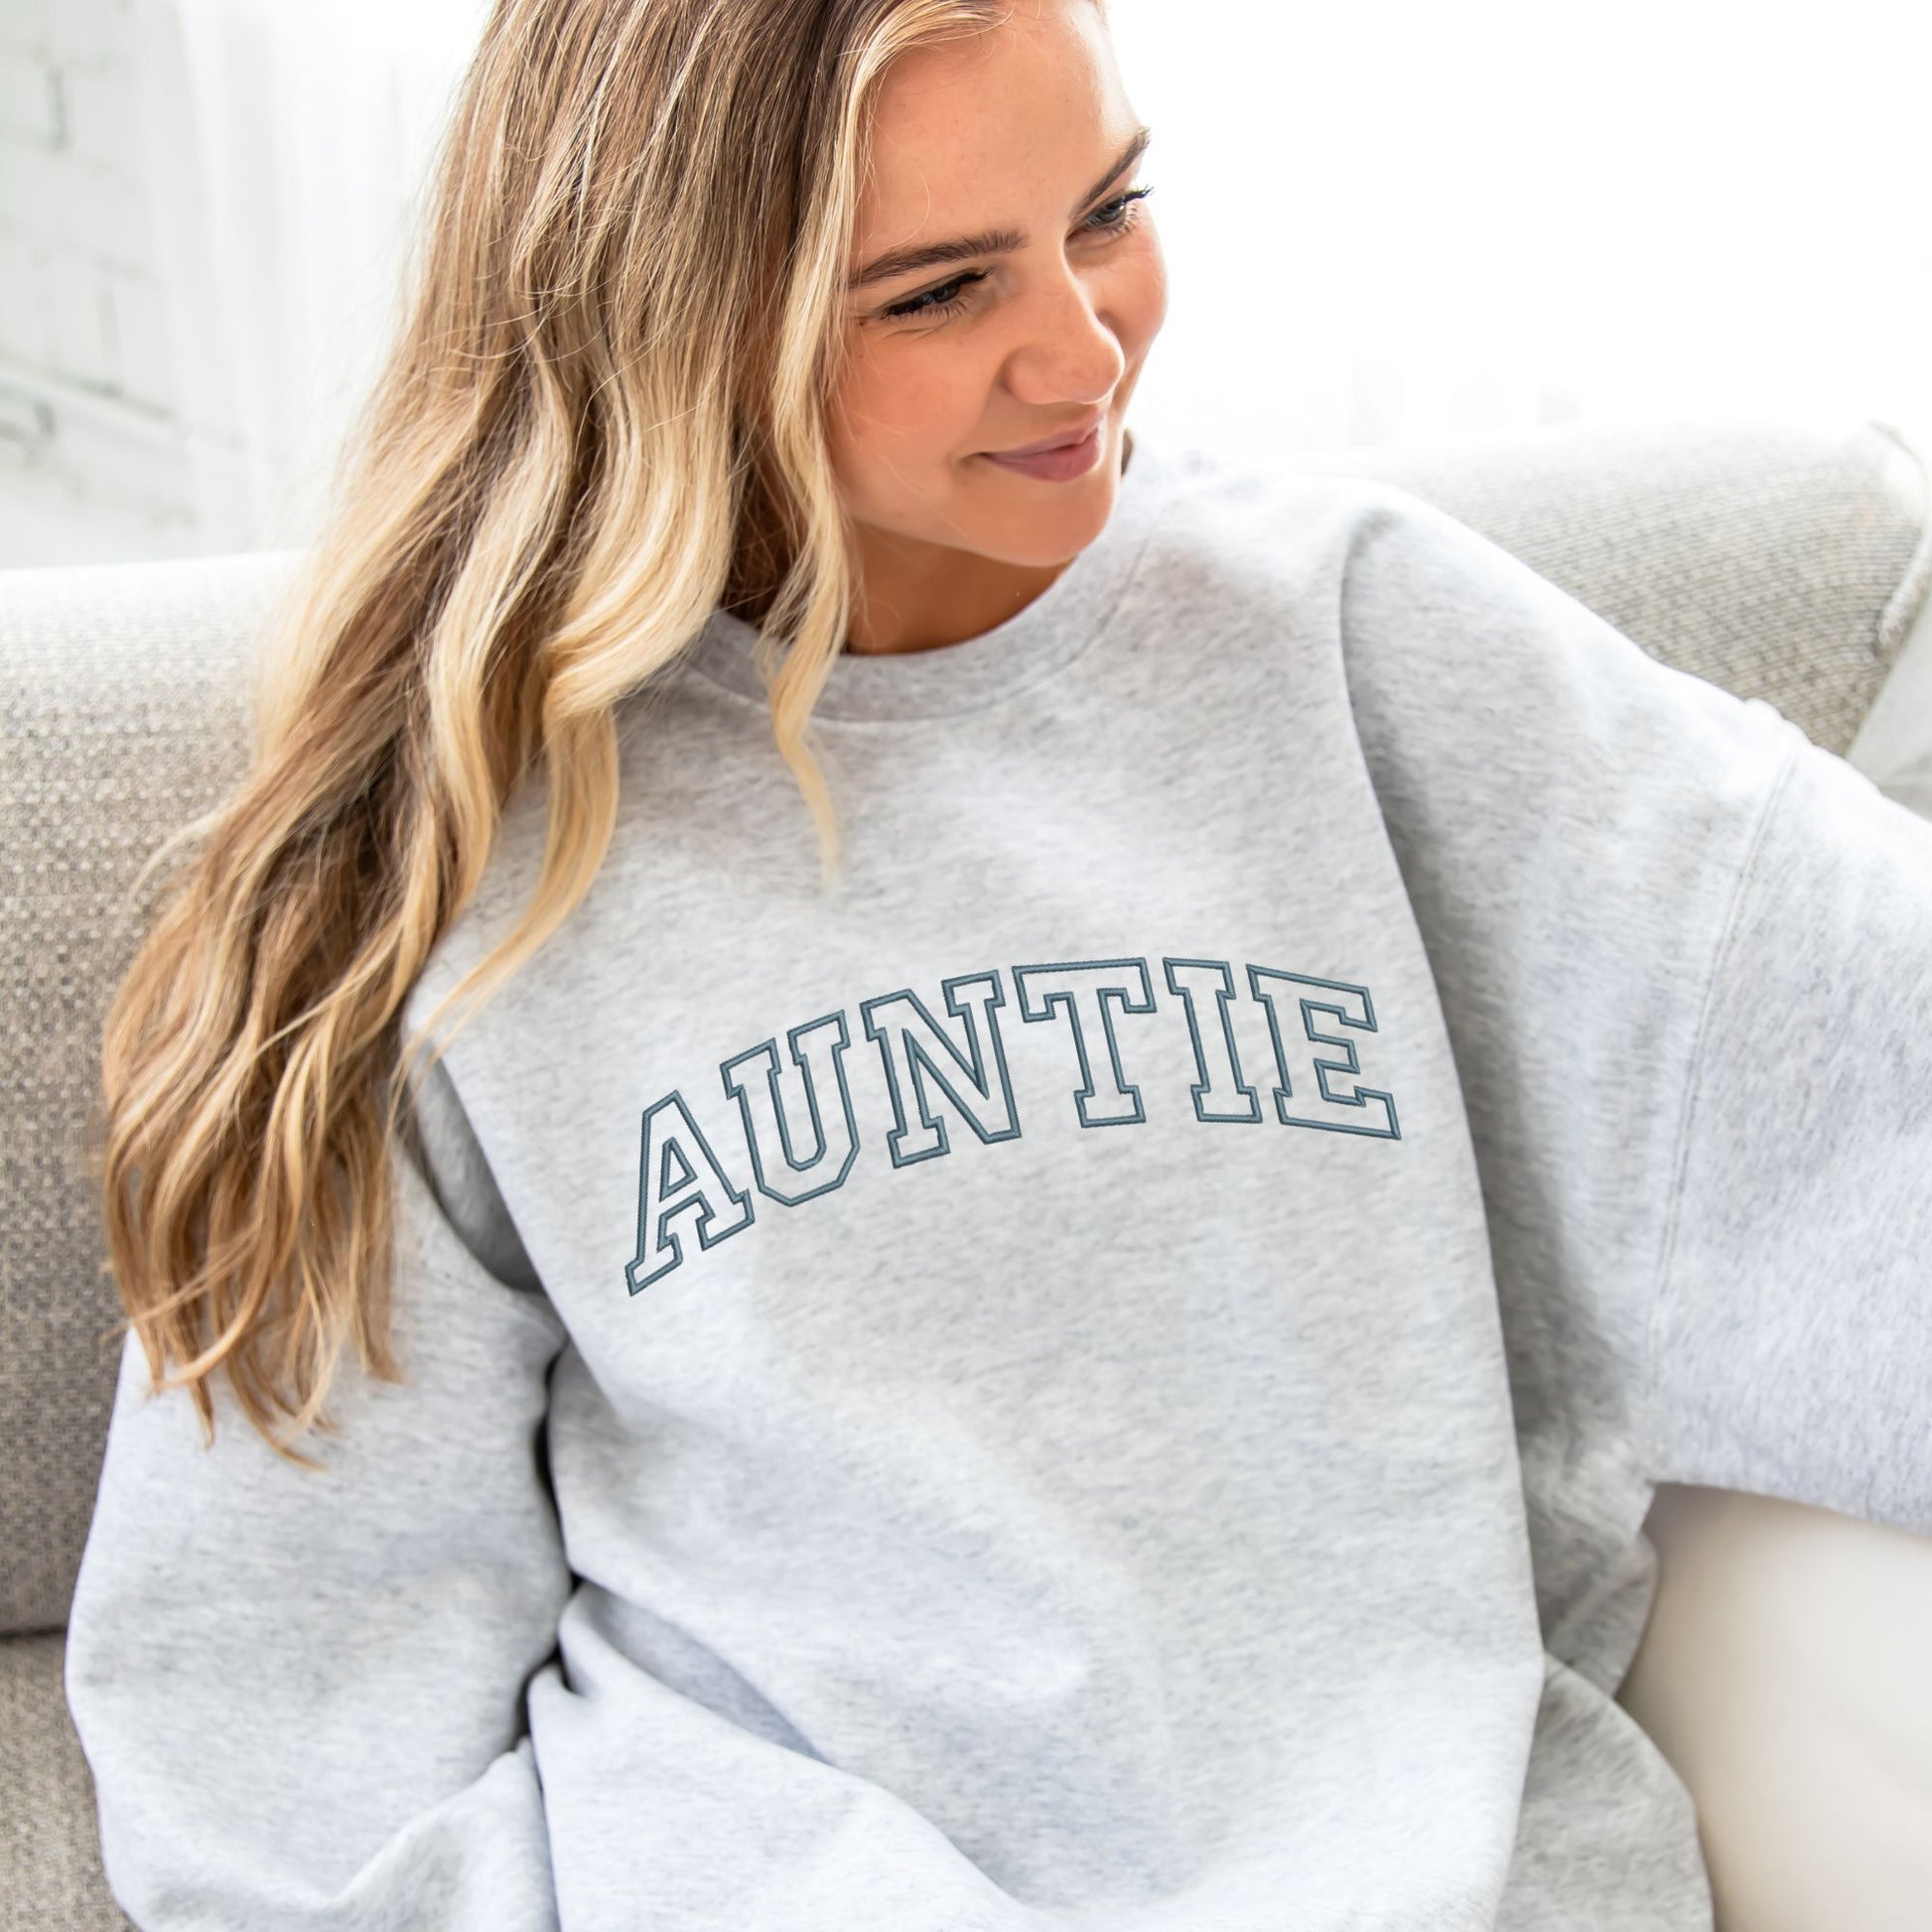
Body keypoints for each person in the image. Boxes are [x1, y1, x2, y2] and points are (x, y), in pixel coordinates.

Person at [63, 0, 1932, 1927]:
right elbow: (282, 1750)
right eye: (940, 291)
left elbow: (1870, 1064)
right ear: (685, 320)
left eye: (1106, 207)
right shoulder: (458, 874)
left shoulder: (1365, 656)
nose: (1085, 342)